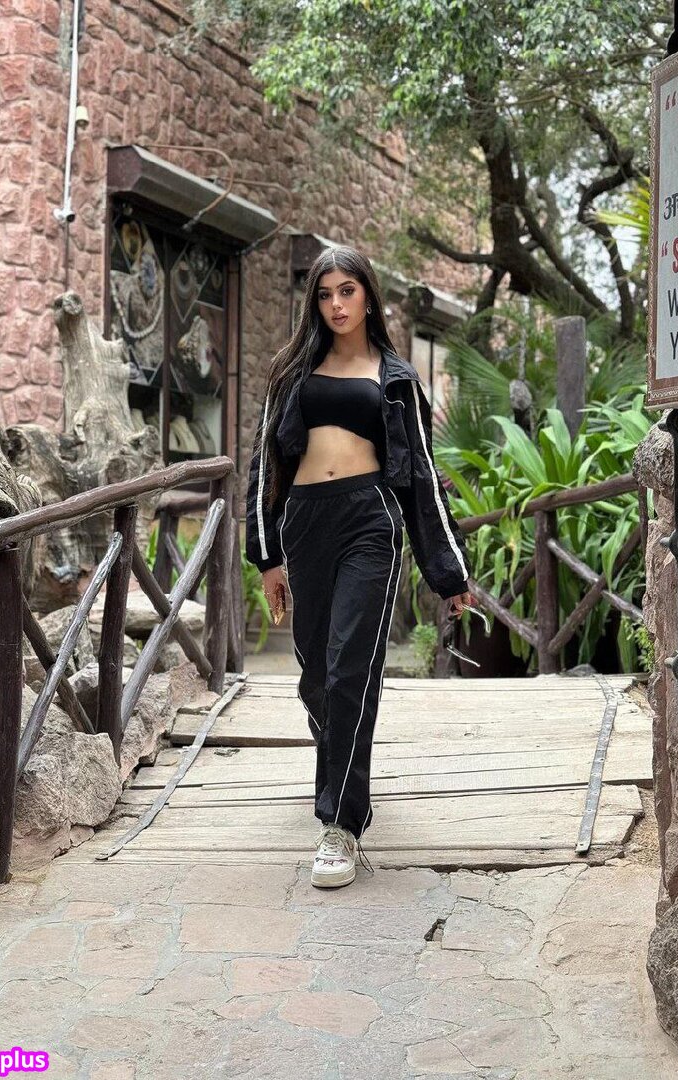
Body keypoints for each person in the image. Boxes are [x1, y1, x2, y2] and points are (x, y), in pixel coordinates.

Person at [244, 245, 476, 888]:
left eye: (347, 290)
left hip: (370, 522)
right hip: (305, 522)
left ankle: (341, 826)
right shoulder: (290, 371)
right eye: (325, 294)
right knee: (318, 674)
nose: (337, 304)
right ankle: (336, 753)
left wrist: (449, 573)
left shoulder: (396, 379)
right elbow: (265, 465)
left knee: (352, 665)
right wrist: (267, 557)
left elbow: (422, 477)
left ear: (369, 296)